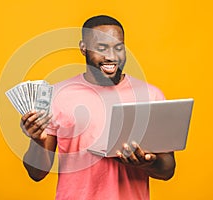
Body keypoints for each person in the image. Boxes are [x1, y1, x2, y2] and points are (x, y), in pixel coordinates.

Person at [20, 15, 176, 200]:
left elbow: (167, 170)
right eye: (102, 48)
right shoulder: (56, 95)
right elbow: (36, 174)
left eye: (118, 47)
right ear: (83, 48)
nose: (111, 56)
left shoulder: (151, 96)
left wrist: (145, 163)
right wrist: (38, 142)